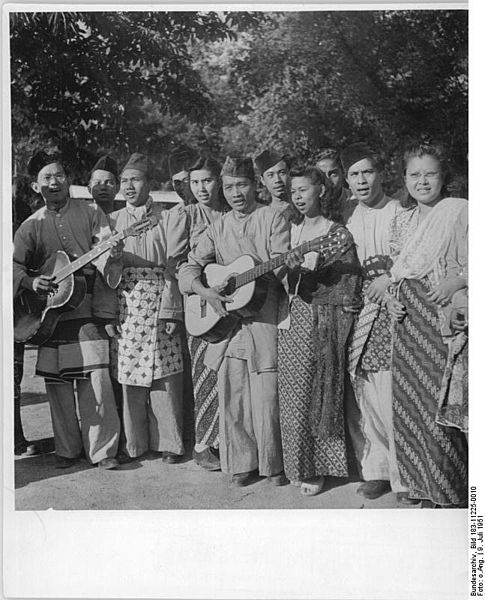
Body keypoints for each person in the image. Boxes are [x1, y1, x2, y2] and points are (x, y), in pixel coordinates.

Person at [178, 156, 289, 487]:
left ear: (255, 185)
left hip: (266, 318)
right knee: (234, 394)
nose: (236, 193)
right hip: (228, 322)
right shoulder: (217, 226)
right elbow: (189, 268)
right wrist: (205, 291)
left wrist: (270, 273)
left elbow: (281, 265)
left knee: (267, 395)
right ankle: (242, 463)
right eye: (228, 187)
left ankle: (274, 466)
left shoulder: (274, 218)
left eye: (242, 185)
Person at [13, 151, 121, 469]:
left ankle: (103, 453)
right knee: (58, 386)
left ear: (69, 179)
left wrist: (110, 254)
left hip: (85, 308)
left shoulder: (90, 213)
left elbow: (104, 252)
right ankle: (67, 449)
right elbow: (13, 266)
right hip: (48, 312)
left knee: (95, 380)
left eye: (59, 175)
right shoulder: (31, 226)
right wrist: (32, 283)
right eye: (46, 178)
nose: (54, 182)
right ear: (36, 187)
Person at [386, 140, 468, 507]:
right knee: (411, 404)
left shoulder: (460, 211)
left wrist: (459, 280)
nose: (422, 181)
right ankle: (420, 486)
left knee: (439, 409)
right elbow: (394, 271)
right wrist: (390, 301)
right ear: (404, 179)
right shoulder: (402, 220)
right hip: (407, 324)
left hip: (443, 321)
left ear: (443, 177)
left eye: (430, 174)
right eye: (414, 174)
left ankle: (448, 493)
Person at [278, 166, 362, 496]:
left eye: (304, 190)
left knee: (318, 390)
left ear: (321, 191)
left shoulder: (334, 231)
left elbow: (349, 281)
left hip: (320, 319)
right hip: (287, 316)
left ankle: (320, 468)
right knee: (292, 394)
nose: (298, 197)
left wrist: (321, 288)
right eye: (293, 191)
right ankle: (297, 465)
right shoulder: (287, 227)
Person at [342, 142, 412, 503]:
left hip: (396, 305)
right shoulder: (349, 217)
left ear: (380, 173)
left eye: (367, 172)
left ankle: (405, 477)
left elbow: (410, 257)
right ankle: (376, 471)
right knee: (364, 391)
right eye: (354, 174)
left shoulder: (400, 210)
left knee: (391, 392)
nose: (362, 180)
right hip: (360, 310)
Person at [109, 153, 185, 462]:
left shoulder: (168, 217)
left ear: (149, 184)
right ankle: (135, 444)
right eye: (124, 181)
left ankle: (170, 443)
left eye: (135, 180)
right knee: (130, 376)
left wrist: (172, 309)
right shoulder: (112, 221)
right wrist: (113, 256)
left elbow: (175, 264)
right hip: (125, 301)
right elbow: (107, 272)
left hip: (161, 295)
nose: (129, 186)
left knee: (164, 374)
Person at [167, 156, 229, 470]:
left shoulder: (232, 212)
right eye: (195, 182)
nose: (201, 188)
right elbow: (175, 264)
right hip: (198, 303)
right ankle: (204, 444)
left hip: (233, 301)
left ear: (218, 180)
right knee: (204, 373)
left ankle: (228, 441)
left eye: (207, 180)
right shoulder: (186, 214)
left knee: (229, 373)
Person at [315, 148, 356, 222]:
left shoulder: (357, 203)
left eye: (333, 174)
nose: (327, 180)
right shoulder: (308, 206)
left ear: (343, 174)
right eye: (321, 174)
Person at [254, 149, 292, 217]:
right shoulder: (261, 215)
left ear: (289, 174)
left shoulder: (303, 207)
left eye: (282, 173)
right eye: (270, 175)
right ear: (262, 180)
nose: (277, 180)